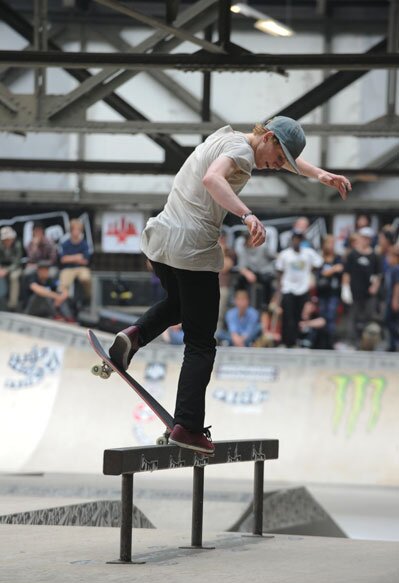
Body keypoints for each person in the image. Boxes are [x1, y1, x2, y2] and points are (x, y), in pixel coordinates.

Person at [108, 116, 351, 454]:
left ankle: (134, 336)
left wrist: (320, 175)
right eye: (278, 158)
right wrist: (247, 215)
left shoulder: (228, 138)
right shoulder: (243, 152)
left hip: (160, 242)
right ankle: (188, 426)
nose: (276, 167)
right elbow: (212, 178)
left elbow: (270, 157)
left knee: (180, 304)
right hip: (192, 249)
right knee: (201, 343)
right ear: (266, 138)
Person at [275, 230, 323, 347]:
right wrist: (279, 290)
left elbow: (319, 263)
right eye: (295, 239)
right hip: (288, 288)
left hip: (303, 289)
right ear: (292, 240)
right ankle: (285, 341)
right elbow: (279, 271)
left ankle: (296, 341)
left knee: (299, 317)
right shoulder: (285, 254)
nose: (297, 241)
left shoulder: (308, 253)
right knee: (287, 316)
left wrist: (309, 272)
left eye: (299, 239)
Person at [341, 226, 381, 347]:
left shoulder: (374, 255)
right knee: (352, 317)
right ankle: (351, 342)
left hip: (368, 294)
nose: (366, 240)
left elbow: (377, 274)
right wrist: (345, 289)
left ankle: (366, 344)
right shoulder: (353, 254)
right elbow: (346, 273)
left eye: (368, 238)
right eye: (364, 238)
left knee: (368, 318)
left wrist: (375, 286)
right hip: (354, 292)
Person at [235, 231, 275, 308]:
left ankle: (266, 304)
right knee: (240, 279)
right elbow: (241, 266)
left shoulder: (263, 246)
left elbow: (273, 256)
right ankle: (241, 300)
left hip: (265, 271)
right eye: (247, 238)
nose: (249, 240)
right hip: (253, 272)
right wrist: (247, 273)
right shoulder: (243, 249)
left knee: (267, 280)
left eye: (250, 238)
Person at [316, 234, 343, 348]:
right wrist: (333, 270)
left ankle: (330, 343)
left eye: (332, 243)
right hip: (322, 292)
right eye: (328, 243)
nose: (330, 246)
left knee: (331, 317)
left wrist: (329, 271)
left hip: (333, 293)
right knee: (322, 317)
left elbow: (340, 269)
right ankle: (321, 343)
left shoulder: (338, 258)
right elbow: (321, 273)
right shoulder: (319, 258)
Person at [58, 219, 92, 306]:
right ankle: (65, 303)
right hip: (68, 268)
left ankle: (88, 298)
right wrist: (77, 257)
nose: (76, 232)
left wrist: (70, 258)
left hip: (81, 268)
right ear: (71, 231)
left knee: (86, 278)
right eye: (75, 229)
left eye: (78, 230)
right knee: (63, 285)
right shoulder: (65, 244)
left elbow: (85, 261)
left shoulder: (84, 244)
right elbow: (63, 260)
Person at [0, 226, 23, 310]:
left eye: (9, 239)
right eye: (5, 239)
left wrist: (6, 270)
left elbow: (17, 262)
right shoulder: (0, 245)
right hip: (2, 267)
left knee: (14, 277)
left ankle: (12, 304)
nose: (7, 241)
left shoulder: (17, 244)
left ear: (12, 238)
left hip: (15, 267)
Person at [217, 232, 236, 330]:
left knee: (218, 313)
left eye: (223, 239)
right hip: (207, 285)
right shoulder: (209, 250)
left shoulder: (230, 252)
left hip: (222, 286)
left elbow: (224, 267)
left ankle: (217, 335)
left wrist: (222, 251)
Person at [384, 244, 399, 352]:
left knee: (391, 322)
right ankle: (393, 344)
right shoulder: (392, 269)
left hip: (394, 301)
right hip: (390, 299)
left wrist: (395, 300)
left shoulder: (396, 269)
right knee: (389, 322)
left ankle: (394, 344)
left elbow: (397, 285)